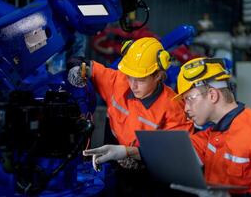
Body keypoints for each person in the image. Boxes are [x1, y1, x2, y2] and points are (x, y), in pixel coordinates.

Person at [68, 37, 193, 196]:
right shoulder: (118, 82)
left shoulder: (173, 109)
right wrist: (77, 68)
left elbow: (178, 156)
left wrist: (134, 155)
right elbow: (85, 64)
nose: (132, 85)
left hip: (149, 177)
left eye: (140, 79)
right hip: (113, 164)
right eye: (129, 76)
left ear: (158, 76)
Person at [171, 57, 251, 196]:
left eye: (189, 99)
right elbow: (181, 150)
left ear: (212, 95)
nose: (186, 108)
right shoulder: (214, 132)